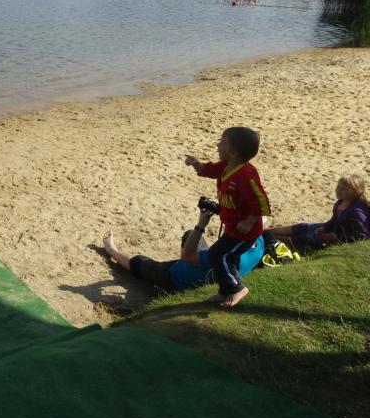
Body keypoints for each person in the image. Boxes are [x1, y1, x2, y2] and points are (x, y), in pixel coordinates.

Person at [185, 127, 271, 307]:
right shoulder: (226, 166)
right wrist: (197, 164)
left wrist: (249, 221)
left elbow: (262, 202)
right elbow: (209, 170)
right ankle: (225, 292)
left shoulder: (246, 175)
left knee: (218, 255)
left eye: (222, 143)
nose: (217, 145)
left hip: (245, 232)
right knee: (227, 257)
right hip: (232, 227)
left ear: (233, 153)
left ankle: (238, 288)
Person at [102, 209, 265, 292]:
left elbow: (187, 256)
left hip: (177, 279)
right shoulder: (259, 244)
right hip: (203, 269)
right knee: (189, 235)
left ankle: (112, 250)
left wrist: (201, 224)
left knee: (140, 262)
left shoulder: (219, 256)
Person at [268, 175, 370, 252]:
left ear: (356, 191)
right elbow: (334, 220)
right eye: (338, 186)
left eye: (343, 188)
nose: (338, 190)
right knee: (300, 227)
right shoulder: (341, 202)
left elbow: (361, 236)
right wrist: (324, 227)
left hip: (334, 238)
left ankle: (266, 236)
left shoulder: (357, 213)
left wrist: (335, 236)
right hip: (329, 230)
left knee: (299, 238)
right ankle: (265, 232)